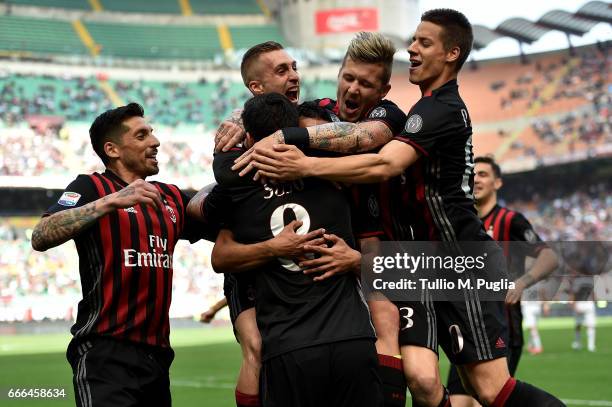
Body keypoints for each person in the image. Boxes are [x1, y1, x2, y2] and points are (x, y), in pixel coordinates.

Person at [242, 9, 566, 407]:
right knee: (424, 380)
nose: (412, 48)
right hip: (418, 263)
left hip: (454, 261)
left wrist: (303, 162)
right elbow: (274, 114)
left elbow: (376, 153)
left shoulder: (413, 114)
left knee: (490, 388)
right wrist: (240, 120)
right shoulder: (328, 109)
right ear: (338, 74)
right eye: (349, 78)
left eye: (424, 43)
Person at [215, 34, 409, 407]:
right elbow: (221, 191)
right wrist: (241, 117)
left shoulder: (381, 115)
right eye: (348, 78)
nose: (353, 89)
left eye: (366, 84)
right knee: (254, 345)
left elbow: (365, 137)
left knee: (389, 324)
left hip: (360, 233)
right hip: (274, 265)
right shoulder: (306, 111)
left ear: (382, 89)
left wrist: (289, 144)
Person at [31, 103, 210, 407]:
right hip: (105, 353)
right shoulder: (91, 186)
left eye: (152, 133)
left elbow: (220, 217)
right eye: (142, 136)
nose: (155, 142)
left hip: (158, 356)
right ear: (112, 149)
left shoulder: (169, 197)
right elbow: (41, 235)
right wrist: (111, 201)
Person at [446, 156, 559, 407]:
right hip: (465, 326)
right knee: (458, 402)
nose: (477, 180)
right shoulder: (458, 222)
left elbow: (550, 257)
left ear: (498, 183)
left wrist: (521, 283)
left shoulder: (510, 221)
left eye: (484, 175)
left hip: (503, 326)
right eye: (473, 174)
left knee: (490, 397)